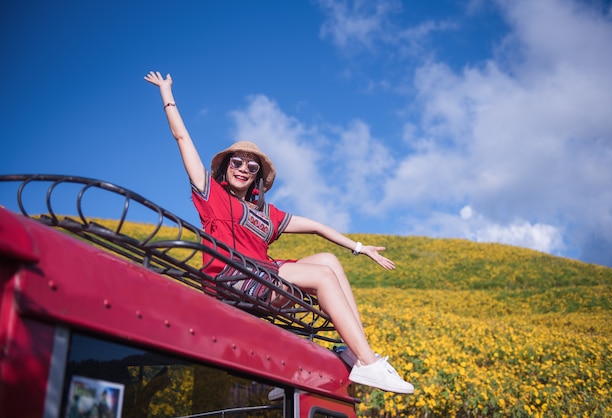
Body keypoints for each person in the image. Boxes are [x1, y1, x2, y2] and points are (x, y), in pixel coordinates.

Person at [144, 71, 414, 394]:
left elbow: (315, 226)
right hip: (234, 281)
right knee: (323, 278)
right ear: (225, 167)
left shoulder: (267, 215)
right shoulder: (211, 195)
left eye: (251, 166)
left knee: (329, 260)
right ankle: (369, 364)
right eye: (237, 162)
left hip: (263, 275)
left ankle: (356, 352)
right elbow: (183, 139)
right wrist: (166, 94)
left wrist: (358, 247)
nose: (243, 168)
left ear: (257, 177)